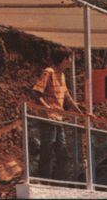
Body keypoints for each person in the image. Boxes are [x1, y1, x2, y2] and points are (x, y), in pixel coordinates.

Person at [31, 49, 83, 180]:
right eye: (70, 58)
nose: (71, 61)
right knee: (47, 150)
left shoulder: (62, 75)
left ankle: (57, 181)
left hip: (58, 119)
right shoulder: (49, 72)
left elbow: (67, 97)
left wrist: (82, 113)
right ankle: (43, 180)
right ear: (64, 59)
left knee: (62, 152)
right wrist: (47, 107)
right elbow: (36, 92)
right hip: (48, 118)